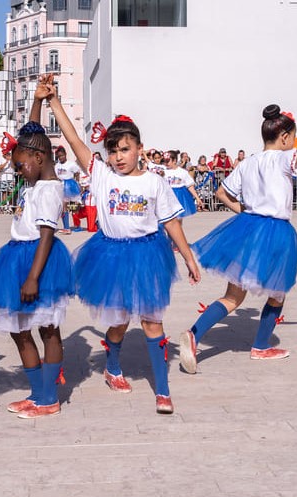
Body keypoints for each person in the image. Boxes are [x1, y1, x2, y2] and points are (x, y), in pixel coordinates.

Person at [42, 74, 201, 414]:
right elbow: (73, 140)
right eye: (113, 151)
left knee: (152, 322)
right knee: (119, 321)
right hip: (110, 254)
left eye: (125, 149)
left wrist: (187, 256)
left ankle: (163, 389)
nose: (118, 157)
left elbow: (171, 221)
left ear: (140, 149)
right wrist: (55, 102)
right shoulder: (102, 175)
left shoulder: (155, 183)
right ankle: (112, 366)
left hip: (147, 254)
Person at [179, 105, 297, 373]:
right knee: (278, 292)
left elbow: (221, 193)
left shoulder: (248, 162)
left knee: (233, 296)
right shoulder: (283, 158)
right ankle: (261, 346)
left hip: (247, 227)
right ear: (285, 137)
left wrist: (246, 213)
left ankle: (195, 334)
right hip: (276, 231)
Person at [0, 111, 73, 418]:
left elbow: (47, 235)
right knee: (19, 330)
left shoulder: (49, 189)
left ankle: (49, 397)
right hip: (16, 256)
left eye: (20, 165)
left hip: (38, 261)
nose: (18, 171)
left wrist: (33, 278)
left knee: (48, 328)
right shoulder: (33, 180)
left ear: (37, 157)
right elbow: (29, 135)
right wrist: (35, 101)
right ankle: (37, 392)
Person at [163, 149, 202, 216]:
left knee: (178, 218)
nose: (166, 163)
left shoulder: (182, 172)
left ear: (174, 160)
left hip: (179, 196)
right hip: (167, 196)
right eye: (164, 161)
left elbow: (190, 186)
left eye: (168, 161)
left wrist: (197, 198)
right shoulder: (163, 171)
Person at [54, 146, 81, 234]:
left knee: (73, 206)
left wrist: (77, 182)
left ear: (65, 154)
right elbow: (56, 176)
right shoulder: (57, 166)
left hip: (70, 185)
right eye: (59, 156)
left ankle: (77, 225)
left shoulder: (71, 164)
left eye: (62, 155)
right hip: (61, 185)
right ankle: (66, 227)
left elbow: (77, 172)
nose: (61, 158)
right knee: (63, 206)